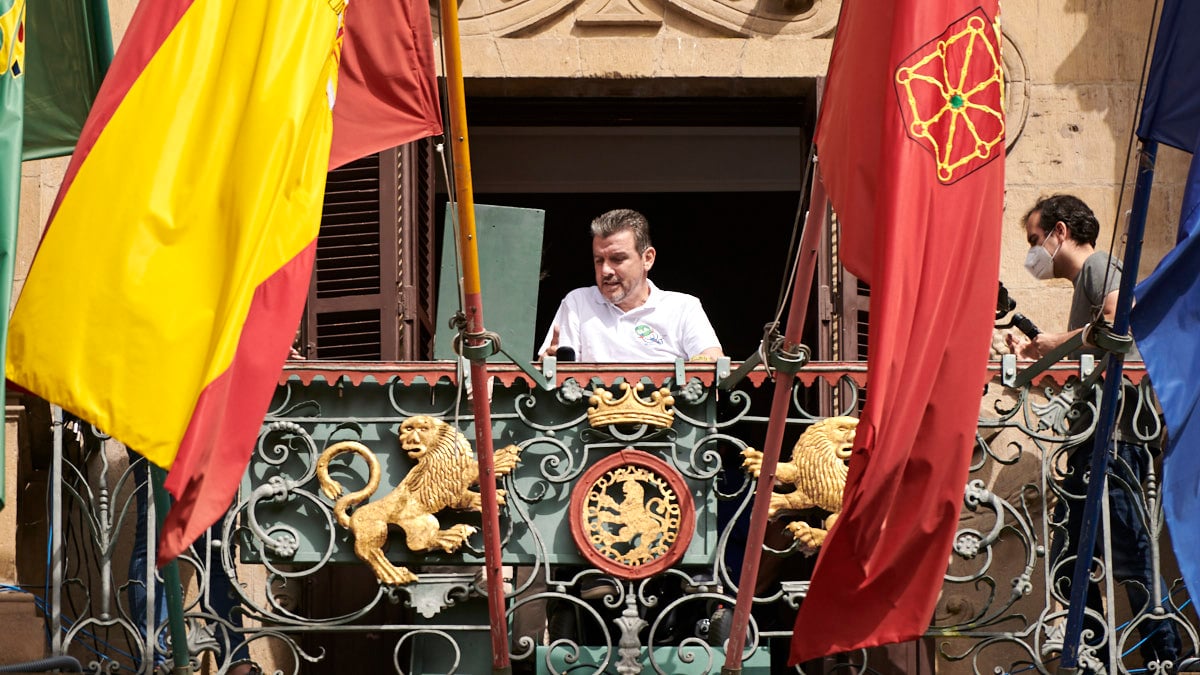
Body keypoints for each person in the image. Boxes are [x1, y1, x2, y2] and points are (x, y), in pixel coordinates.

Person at [1007, 194, 1180, 670]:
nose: (1033, 253)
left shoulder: (1099, 265)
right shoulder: (1084, 280)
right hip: (1095, 441)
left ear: (1060, 232)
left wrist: (1057, 341)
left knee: (1131, 557)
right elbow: (1092, 352)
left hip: (1118, 441)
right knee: (1072, 558)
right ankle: (1092, 658)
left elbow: (1119, 314)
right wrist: (1035, 353)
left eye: (1034, 240)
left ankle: (1168, 661)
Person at [539, 208, 723, 362]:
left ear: (647, 259)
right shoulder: (578, 303)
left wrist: (707, 361)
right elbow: (555, 376)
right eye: (599, 260)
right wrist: (547, 366)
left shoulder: (683, 307)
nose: (605, 271)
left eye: (617, 259)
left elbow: (713, 365)